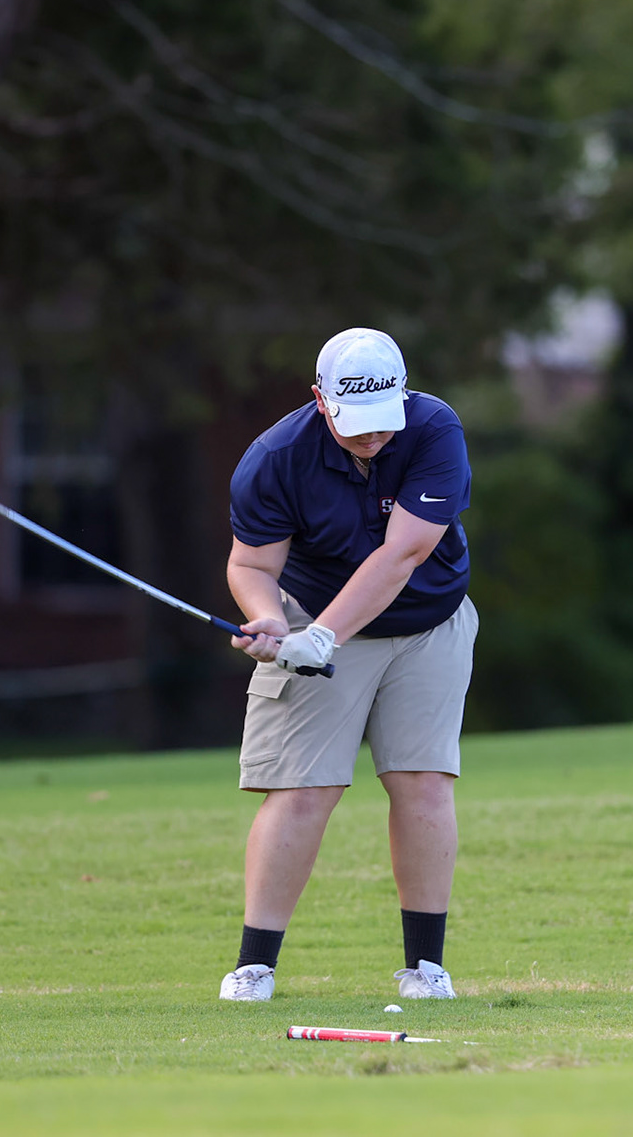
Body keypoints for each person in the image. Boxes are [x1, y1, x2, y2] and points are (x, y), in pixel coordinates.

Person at [216, 327, 477, 1003]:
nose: (373, 439)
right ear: (319, 400)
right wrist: (271, 617)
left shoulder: (433, 429)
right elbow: (251, 565)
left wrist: (321, 637)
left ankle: (426, 968)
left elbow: (402, 556)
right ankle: (254, 969)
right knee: (303, 789)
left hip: (428, 623)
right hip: (312, 614)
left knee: (422, 781)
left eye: (382, 423)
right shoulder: (275, 458)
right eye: (355, 425)